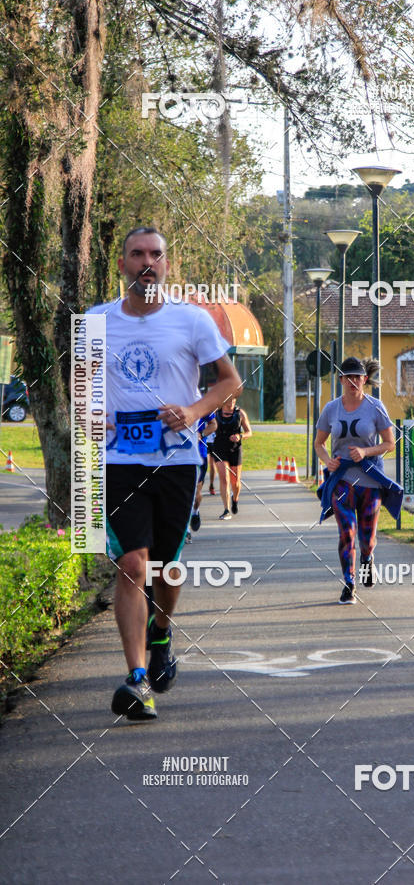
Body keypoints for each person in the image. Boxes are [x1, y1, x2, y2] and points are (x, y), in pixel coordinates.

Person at [87, 226, 241, 720]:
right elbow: (81, 388)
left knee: (167, 566)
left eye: (156, 255)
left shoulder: (192, 321)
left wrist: (195, 412)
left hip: (176, 461)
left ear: (167, 264)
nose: (147, 262)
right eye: (137, 254)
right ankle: (136, 680)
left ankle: (161, 630)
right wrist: (95, 416)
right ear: (122, 264)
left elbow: (229, 381)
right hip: (116, 462)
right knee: (133, 565)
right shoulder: (95, 321)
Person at [314, 357, 398, 604]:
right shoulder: (331, 408)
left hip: (371, 481)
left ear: (365, 379)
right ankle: (349, 583)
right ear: (340, 380)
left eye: (357, 377)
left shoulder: (375, 407)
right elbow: (318, 443)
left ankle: (367, 558)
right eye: (347, 377)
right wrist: (327, 460)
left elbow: (390, 444)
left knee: (367, 538)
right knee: (346, 533)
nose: (353, 381)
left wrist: (365, 452)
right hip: (342, 481)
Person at [211, 396, 252, 519]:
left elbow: (249, 432)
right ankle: (226, 509)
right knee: (224, 478)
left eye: (234, 399)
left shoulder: (240, 413)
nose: (233, 402)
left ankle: (235, 498)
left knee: (235, 481)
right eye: (230, 399)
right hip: (219, 448)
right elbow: (206, 424)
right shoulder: (215, 413)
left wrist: (240, 436)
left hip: (235, 449)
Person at [186, 412, 218, 541]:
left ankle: (195, 511)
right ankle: (185, 530)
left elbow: (213, 424)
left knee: (195, 492)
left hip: (199, 454)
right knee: (183, 492)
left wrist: (201, 434)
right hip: (177, 455)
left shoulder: (202, 402)